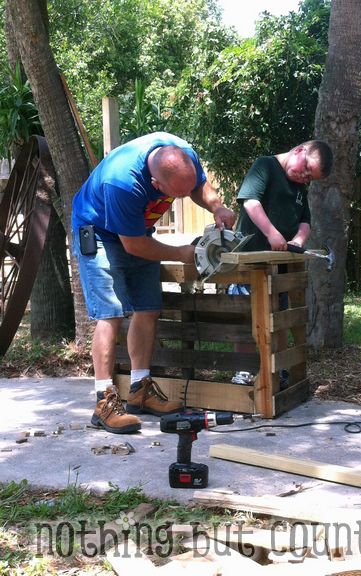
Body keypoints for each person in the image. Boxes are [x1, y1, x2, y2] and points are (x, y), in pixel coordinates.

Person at [71, 132, 236, 434]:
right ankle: (104, 401)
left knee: (148, 308)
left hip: (136, 231)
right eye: (177, 194)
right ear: (156, 186)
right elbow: (133, 246)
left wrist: (217, 207)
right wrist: (182, 254)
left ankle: (139, 390)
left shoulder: (182, 154)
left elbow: (198, 185)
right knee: (111, 313)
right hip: (98, 232)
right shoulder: (122, 182)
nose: (185, 198)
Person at [228, 139, 333, 385]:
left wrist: (298, 238)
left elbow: (305, 220)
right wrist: (271, 233)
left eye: (310, 178)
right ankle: (244, 370)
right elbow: (250, 202)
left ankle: (279, 368)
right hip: (250, 262)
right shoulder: (265, 166)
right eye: (306, 168)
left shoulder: (299, 187)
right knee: (246, 316)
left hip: (280, 267)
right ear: (299, 150)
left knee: (279, 318)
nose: (304, 177)